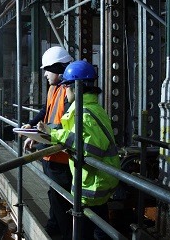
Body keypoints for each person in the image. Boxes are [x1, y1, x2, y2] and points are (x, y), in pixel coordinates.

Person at [37, 60, 121, 240]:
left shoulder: (85, 113)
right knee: (99, 225)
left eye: (66, 87)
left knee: (85, 230)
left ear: (75, 87)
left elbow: (84, 146)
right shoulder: (90, 108)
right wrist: (52, 132)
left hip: (93, 183)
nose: (64, 92)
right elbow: (78, 136)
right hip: (98, 180)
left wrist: (52, 133)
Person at [23, 46, 73, 239]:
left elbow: (65, 127)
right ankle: (53, 227)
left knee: (61, 199)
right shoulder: (54, 89)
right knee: (54, 194)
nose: (45, 74)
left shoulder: (70, 92)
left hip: (60, 155)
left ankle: (63, 234)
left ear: (59, 69)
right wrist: (31, 124)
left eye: (48, 69)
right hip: (50, 152)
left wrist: (37, 135)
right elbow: (46, 110)